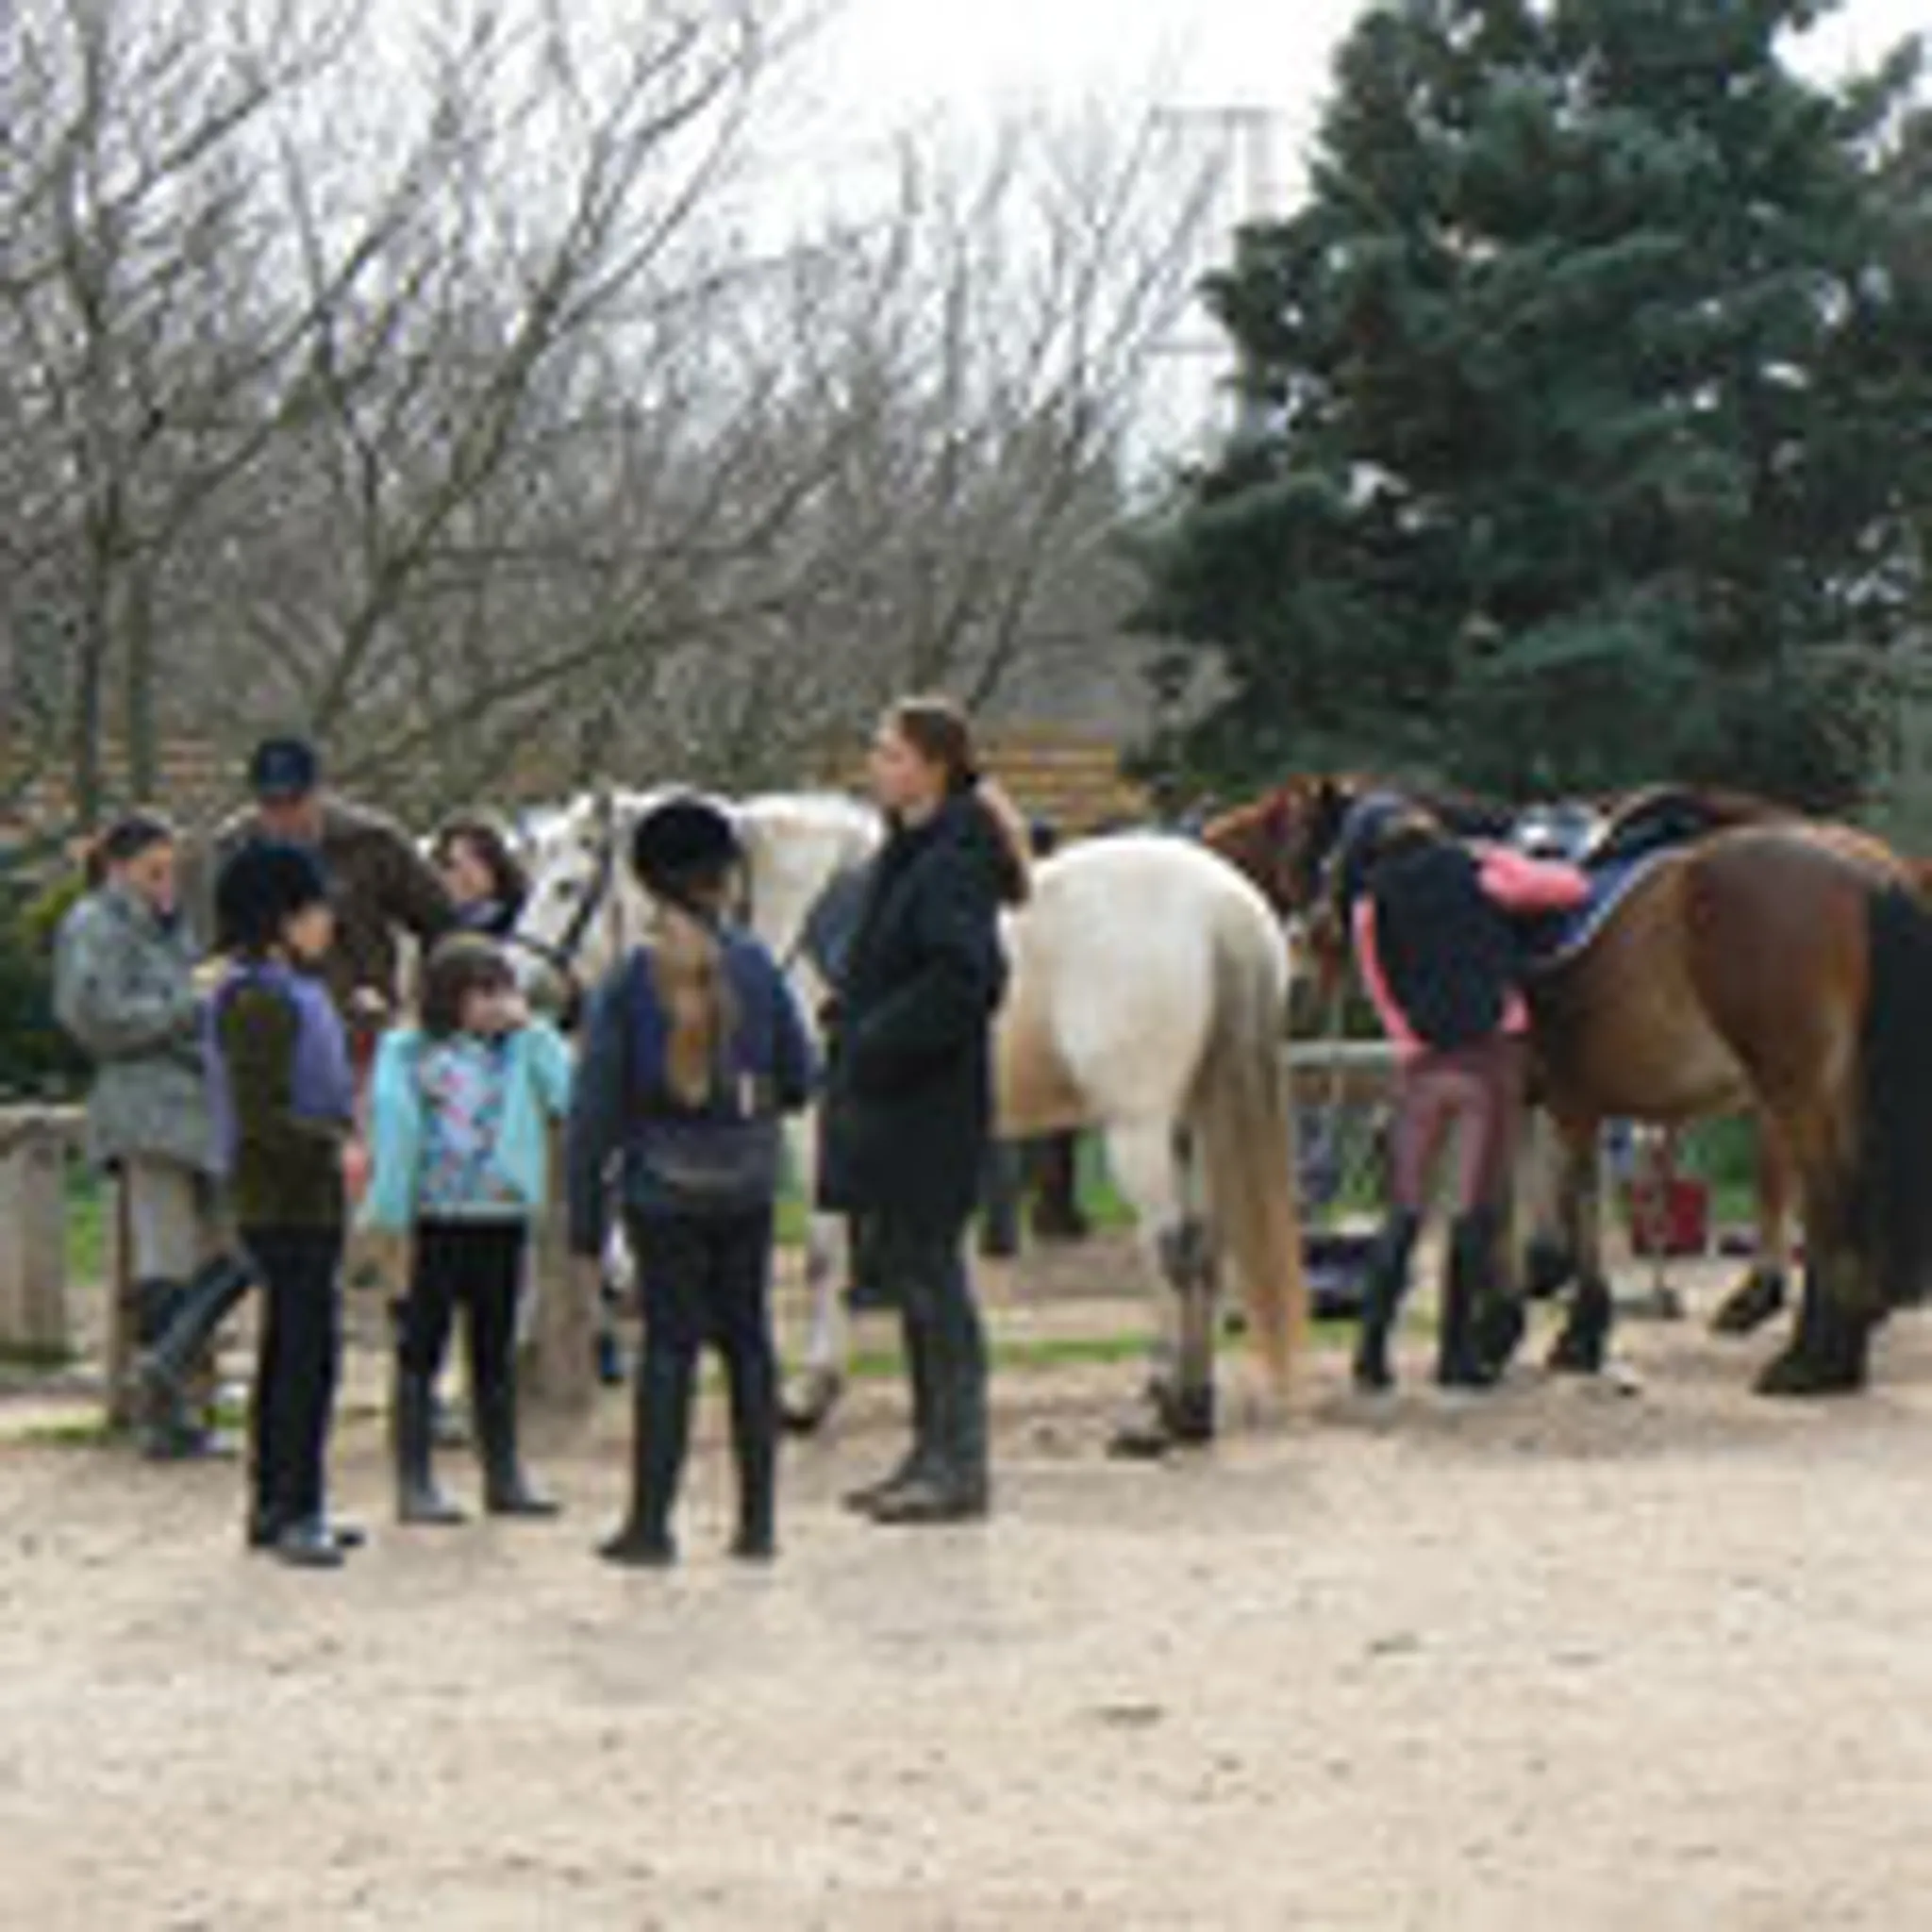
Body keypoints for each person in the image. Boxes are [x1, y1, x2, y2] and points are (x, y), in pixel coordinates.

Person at [567, 795, 816, 1569]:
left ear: (647, 883)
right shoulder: (758, 968)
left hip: (661, 1187)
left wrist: (583, 1214)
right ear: (721, 878)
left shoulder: (629, 980)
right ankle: (758, 1523)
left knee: (669, 1351)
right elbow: (805, 1078)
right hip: (745, 1179)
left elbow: (595, 1109)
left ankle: (651, 1524)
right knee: (750, 1345)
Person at [820, 696, 1028, 1526]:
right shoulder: (909, 851)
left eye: (890, 754)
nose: (877, 766)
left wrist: (874, 1037)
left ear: (932, 765)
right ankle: (928, 1449)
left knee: (937, 1283)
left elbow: (967, 978)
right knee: (914, 1281)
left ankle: (959, 1460)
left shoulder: (950, 860)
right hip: (896, 1100)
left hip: (927, 1104)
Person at [1328, 793, 1589, 1392]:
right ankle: (1455, 1356)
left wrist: (1412, 1043)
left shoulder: (1370, 904)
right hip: (1490, 1052)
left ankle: (1370, 1355)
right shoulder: (1479, 873)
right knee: (1473, 1211)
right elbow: (1565, 889)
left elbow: (1382, 988)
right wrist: (1498, 854)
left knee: (1406, 1209)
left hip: (1423, 1063)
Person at [52, 812, 250, 1458]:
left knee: (234, 1251)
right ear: (120, 868)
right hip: (145, 1111)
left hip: (201, 1107)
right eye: (154, 872)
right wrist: (190, 1006)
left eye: (173, 871)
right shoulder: (94, 926)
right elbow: (94, 1018)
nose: (167, 885)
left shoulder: (172, 927)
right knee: (165, 1258)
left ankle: (168, 1372)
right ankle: (166, 1413)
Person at [363, 934, 573, 1524]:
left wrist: (535, 1031)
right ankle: (414, 1477)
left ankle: (503, 1472)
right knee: (421, 1347)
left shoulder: (521, 1052)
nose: (493, 1005)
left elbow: (567, 1093)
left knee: (494, 1348)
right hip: (435, 1215)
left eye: (500, 991)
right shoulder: (410, 1053)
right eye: (481, 993)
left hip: (500, 1214)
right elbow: (391, 1117)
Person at [205, 841, 363, 1569]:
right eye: (313, 908)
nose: (326, 920)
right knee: (303, 1357)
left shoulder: (292, 987)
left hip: (305, 1199)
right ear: (280, 919)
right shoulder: (259, 999)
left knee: (299, 1351)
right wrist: (333, 1148)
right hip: (286, 1200)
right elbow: (263, 1116)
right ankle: (294, 1506)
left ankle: (284, 1500)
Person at [204, 736, 457, 1058]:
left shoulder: (372, 843)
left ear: (316, 794)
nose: (283, 818)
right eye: (271, 805)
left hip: (363, 1021)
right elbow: (217, 944)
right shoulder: (234, 849)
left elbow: (441, 921)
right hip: (269, 1026)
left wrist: (425, 1002)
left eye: (294, 803)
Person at [431, 816, 530, 939]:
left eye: (474, 857)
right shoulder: (444, 933)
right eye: (451, 864)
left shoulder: (529, 912)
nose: (465, 872)